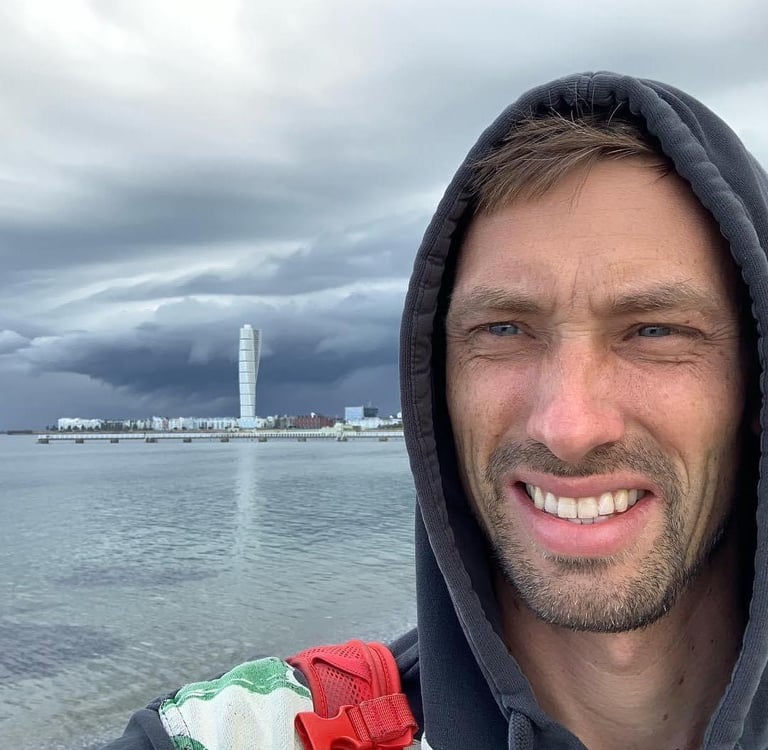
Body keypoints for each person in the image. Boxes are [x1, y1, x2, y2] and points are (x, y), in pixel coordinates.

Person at [102, 72, 768, 749]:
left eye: (655, 331)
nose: (568, 427)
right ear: (438, 387)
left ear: (756, 384)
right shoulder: (250, 733)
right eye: (503, 330)